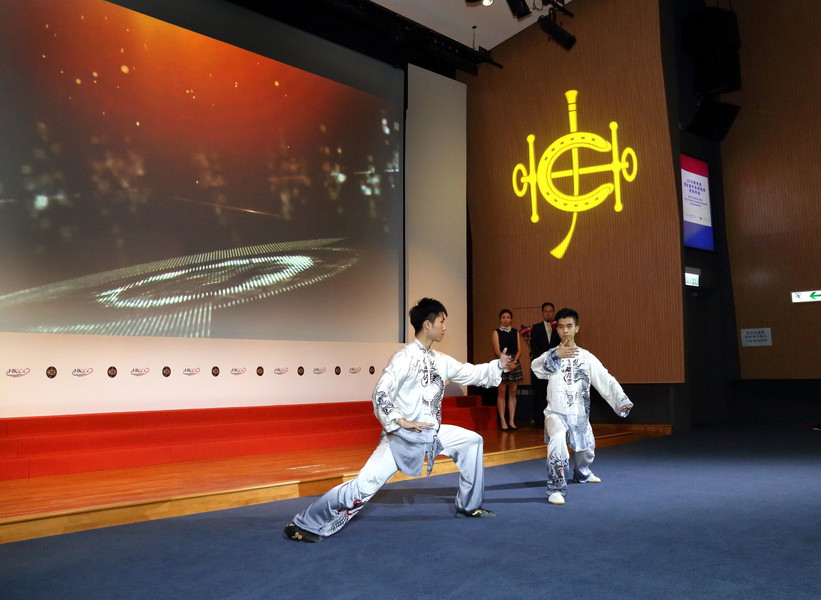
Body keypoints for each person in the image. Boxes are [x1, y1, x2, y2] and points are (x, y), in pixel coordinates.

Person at [284, 297, 511, 542]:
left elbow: (470, 372)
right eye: (442, 321)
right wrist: (399, 420)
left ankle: (469, 507)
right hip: (402, 437)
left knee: (471, 441)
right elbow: (380, 392)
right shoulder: (403, 358)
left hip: (431, 432)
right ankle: (303, 523)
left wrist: (498, 365)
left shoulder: (440, 360)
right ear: (427, 324)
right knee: (364, 485)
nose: (445, 326)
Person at [530, 307, 633, 505]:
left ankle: (583, 473)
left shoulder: (587, 357)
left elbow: (605, 379)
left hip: (579, 415)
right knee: (558, 441)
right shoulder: (551, 354)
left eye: (569, 326)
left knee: (587, 451)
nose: (565, 331)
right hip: (555, 414)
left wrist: (620, 401)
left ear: (577, 328)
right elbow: (537, 369)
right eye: (561, 327)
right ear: (557, 329)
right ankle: (556, 487)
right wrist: (556, 355)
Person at [529, 302, 560, 428]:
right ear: (542, 313)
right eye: (546, 311)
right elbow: (534, 346)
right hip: (540, 366)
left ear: (553, 313)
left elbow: (561, 345)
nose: (548, 313)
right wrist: (544, 358)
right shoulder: (536, 328)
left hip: (554, 366)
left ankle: (554, 419)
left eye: (550, 311)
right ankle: (539, 420)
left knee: (553, 393)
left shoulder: (558, 328)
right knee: (539, 393)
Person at [492, 309, 523, 430]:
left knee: (513, 392)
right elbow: (497, 350)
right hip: (501, 361)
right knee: (501, 392)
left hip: (514, 362)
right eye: (503, 317)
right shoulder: (496, 332)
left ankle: (511, 420)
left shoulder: (515, 332)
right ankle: (503, 421)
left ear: (511, 319)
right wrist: (506, 362)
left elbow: (520, 350)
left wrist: (514, 362)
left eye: (508, 317)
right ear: (500, 319)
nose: (506, 319)